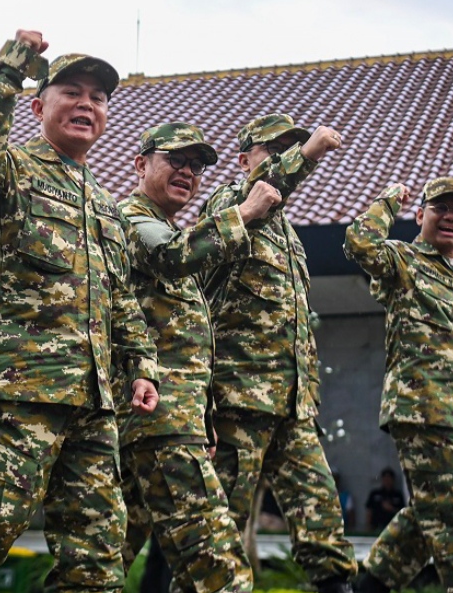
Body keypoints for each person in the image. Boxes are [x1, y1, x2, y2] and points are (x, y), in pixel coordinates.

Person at [0, 30, 160, 593]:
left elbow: (123, 301)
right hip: (25, 392)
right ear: (39, 106)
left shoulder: (107, 209)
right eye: (72, 92)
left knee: (96, 551)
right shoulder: (15, 174)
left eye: (99, 96)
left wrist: (141, 367)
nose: (87, 104)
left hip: (94, 402)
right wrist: (13, 64)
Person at [118, 122, 283, 592]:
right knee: (220, 567)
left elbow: (182, 341)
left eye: (196, 165)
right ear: (141, 164)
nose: (188, 172)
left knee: (100, 563)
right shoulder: (131, 218)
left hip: (170, 418)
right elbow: (173, 256)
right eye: (176, 159)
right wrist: (244, 213)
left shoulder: (170, 227)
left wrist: (204, 415)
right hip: (158, 422)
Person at [203, 112, 356, 593]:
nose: (287, 156)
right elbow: (267, 184)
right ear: (245, 158)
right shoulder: (229, 204)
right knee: (216, 529)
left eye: (292, 148)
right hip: (238, 402)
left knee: (322, 520)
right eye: (275, 150)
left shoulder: (288, 235)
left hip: (293, 405)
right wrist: (308, 153)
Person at [344, 177, 453, 593]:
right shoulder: (405, 263)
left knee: (428, 515)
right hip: (419, 410)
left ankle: (366, 589)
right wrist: (388, 201)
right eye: (441, 209)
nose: (451, 218)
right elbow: (358, 243)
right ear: (420, 215)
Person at [365, 467, 405, 531]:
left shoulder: (398, 495)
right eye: (385, 478)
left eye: (389, 478)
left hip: (393, 527)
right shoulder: (375, 494)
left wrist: (391, 508)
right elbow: (369, 511)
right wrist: (368, 526)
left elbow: (402, 512)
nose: (387, 481)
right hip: (376, 526)